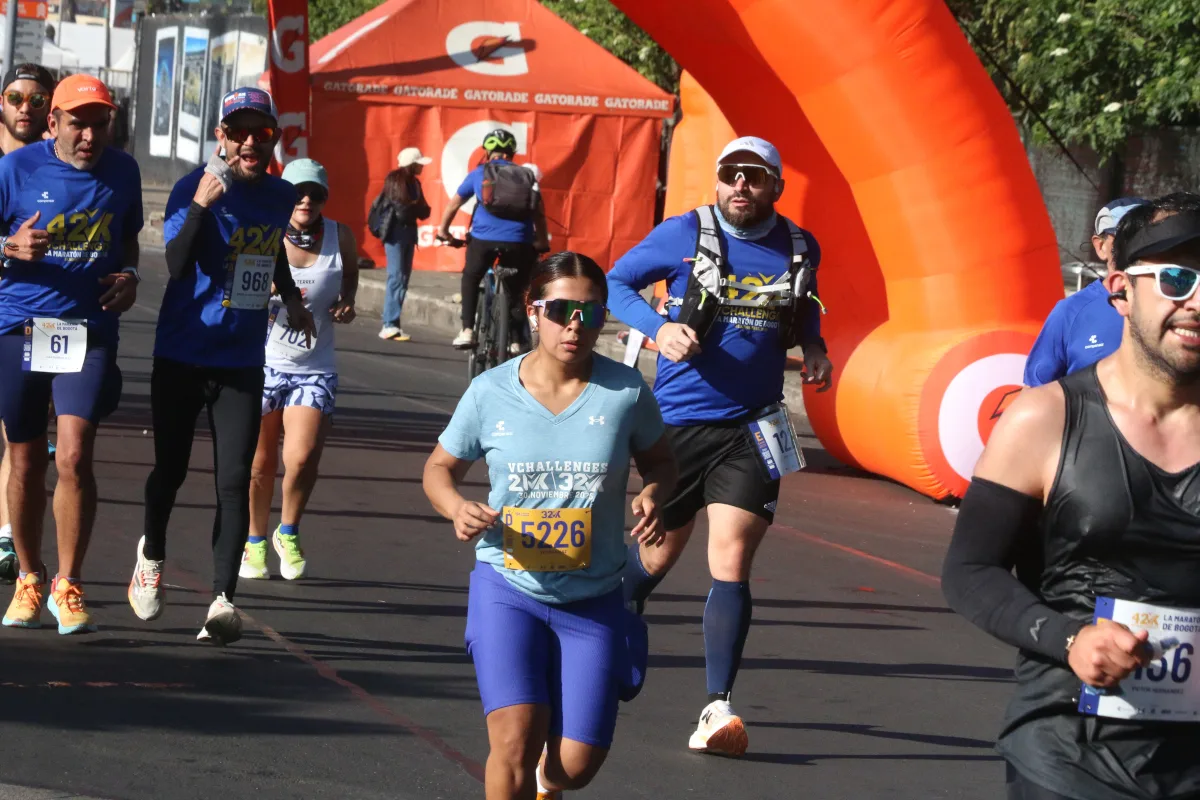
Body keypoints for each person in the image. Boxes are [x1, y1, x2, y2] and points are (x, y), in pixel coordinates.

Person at [942, 192, 1200, 800]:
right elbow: (970, 569)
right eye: (1176, 278)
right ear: (1120, 289)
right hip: (1067, 757)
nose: (1197, 303)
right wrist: (1070, 639)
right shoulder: (1046, 418)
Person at [606, 135, 833, 757]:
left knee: (731, 561)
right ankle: (608, 619)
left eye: (754, 177)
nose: (741, 185)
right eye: (731, 174)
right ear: (717, 181)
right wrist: (659, 328)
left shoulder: (798, 245)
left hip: (755, 428)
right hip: (679, 427)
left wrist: (813, 344)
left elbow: (806, 301)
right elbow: (616, 283)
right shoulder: (685, 233)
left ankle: (716, 706)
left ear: (776, 187)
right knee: (653, 561)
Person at [423, 252, 676, 800]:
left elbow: (661, 462)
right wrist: (455, 506)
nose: (576, 325)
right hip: (507, 586)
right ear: (532, 310)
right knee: (513, 742)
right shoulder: (491, 391)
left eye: (592, 312)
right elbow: (439, 468)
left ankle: (547, 783)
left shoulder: (626, 391)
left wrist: (654, 492)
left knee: (573, 768)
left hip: (594, 597)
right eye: (561, 310)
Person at [128, 88, 315, 645]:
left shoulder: (281, 194)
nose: (250, 142)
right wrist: (205, 205)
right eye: (240, 132)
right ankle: (152, 551)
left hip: (240, 357)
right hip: (183, 353)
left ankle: (222, 600)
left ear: (274, 139)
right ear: (221, 137)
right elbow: (177, 265)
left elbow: (269, 250)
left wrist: (292, 295)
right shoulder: (193, 187)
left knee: (234, 480)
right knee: (173, 471)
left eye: (262, 133)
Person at [0, 74, 142, 633]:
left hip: (87, 330)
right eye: (78, 123)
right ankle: (30, 577)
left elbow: (128, 239)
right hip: (21, 325)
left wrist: (130, 273)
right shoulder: (15, 170)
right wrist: (8, 246)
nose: (89, 135)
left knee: (75, 455)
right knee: (27, 457)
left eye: (99, 123)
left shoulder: (123, 171)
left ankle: (68, 582)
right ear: (53, 122)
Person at [241, 158, 357, 582]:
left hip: (315, 366)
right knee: (258, 464)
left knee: (302, 457)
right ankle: (254, 541)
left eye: (316, 193)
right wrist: (264, 290)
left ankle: (286, 531)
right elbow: (233, 291)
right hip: (263, 363)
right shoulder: (262, 234)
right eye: (297, 193)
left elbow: (350, 282)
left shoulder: (340, 236)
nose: (306, 200)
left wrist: (346, 304)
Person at [0, 62, 56, 584]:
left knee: (20, 438)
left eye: (37, 100)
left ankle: (6, 536)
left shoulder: (57, 165)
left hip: (26, 317)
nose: (25, 108)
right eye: (16, 97)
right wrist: (6, 246)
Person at [437, 127, 549, 353]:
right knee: (518, 289)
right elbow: (538, 212)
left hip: (483, 239)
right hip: (520, 241)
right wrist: (542, 241)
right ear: (511, 154)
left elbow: (454, 204)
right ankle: (517, 340)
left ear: (488, 153)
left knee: (471, 276)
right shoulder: (526, 175)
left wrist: (443, 232)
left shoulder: (479, 173)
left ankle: (467, 329)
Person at [1024, 196, 1148, 387]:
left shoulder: (1174, 306)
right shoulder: (1070, 312)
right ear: (1100, 246)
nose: (1136, 246)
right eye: (1125, 237)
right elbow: (1034, 394)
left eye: (1145, 237)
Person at [377, 146, 431, 343]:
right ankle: (389, 324)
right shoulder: (395, 180)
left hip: (408, 233)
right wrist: (416, 207)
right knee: (396, 277)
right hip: (395, 234)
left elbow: (424, 211)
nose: (422, 167)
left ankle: (394, 324)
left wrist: (415, 207)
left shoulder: (414, 183)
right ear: (412, 164)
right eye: (419, 164)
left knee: (403, 278)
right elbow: (402, 211)